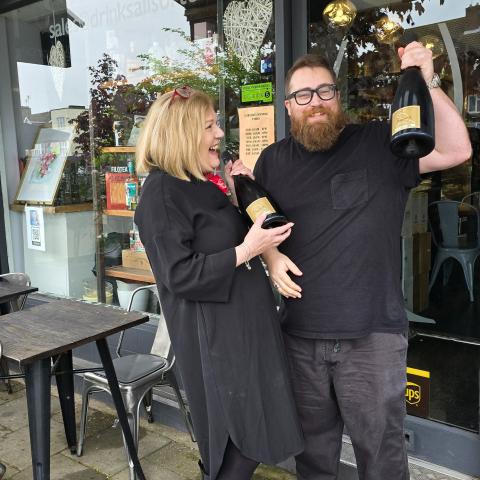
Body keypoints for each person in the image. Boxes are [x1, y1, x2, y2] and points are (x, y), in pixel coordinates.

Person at [253, 43, 472, 480]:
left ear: (339, 97)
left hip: (371, 339)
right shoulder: (273, 161)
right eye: (302, 95)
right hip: (299, 337)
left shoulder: (379, 142)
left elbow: (456, 150)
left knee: (383, 461)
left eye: (324, 91)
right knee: (313, 460)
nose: (314, 102)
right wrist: (273, 257)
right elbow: (257, 220)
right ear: (288, 106)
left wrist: (429, 79)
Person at [134, 86, 303, 480]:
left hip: (243, 329)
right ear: (182, 133)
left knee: (254, 430)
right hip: (217, 340)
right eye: (209, 126)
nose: (220, 134)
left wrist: (239, 193)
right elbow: (179, 275)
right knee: (238, 438)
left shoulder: (200, 184)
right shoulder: (159, 195)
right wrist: (247, 250)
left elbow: (233, 235)